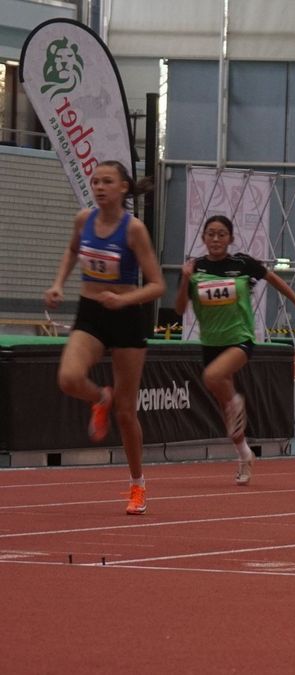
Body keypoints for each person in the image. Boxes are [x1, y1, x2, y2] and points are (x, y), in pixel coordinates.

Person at [42, 160, 164, 515]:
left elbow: (158, 285)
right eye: (95, 181)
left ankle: (137, 484)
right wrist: (58, 284)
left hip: (126, 317)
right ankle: (99, 397)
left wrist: (124, 299)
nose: (99, 187)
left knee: (126, 412)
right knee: (68, 378)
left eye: (107, 181)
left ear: (123, 187)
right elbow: (72, 250)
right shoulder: (84, 220)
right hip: (91, 311)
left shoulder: (133, 229)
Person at [174, 215, 295, 486]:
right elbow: (179, 308)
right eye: (211, 234)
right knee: (230, 416)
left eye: (221, 234)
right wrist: (184, 280)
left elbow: (273, 279)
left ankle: (236, 403)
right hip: (210, 343)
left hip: (240, 339)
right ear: (203, 238)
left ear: (230, 239)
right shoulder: (195, 268)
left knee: (212, 377)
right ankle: (244, 454)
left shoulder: (241, 264)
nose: (216, 239)